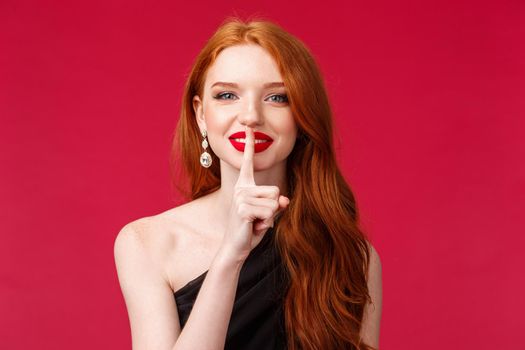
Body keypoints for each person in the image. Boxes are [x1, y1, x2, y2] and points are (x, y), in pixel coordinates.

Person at [114, 17, 382, 350]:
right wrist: (231, 256)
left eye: (277, 98)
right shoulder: (146, 242)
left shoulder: (352, 255)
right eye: (227, 95)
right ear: (200, 115)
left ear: (302, 117)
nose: (251, 116)